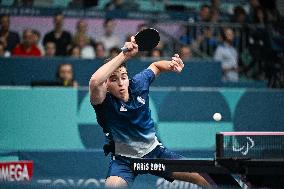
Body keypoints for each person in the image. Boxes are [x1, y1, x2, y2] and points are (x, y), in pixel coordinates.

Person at [89, 36, 211, 188]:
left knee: (204, 178)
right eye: (114, 79)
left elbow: (156, 66)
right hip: (124, 160)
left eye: (124, 77)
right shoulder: (103, 102)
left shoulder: (138, 84)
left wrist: (171, 65)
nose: (121, 83)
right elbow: (95, 81)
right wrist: (124, 55)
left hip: (155, 153)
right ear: (106, 85)